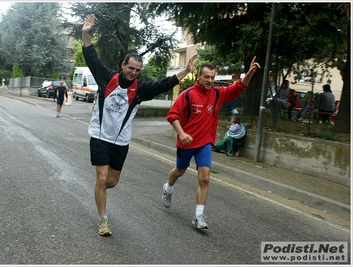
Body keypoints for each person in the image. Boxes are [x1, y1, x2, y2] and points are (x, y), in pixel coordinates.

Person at [81, 14, 198, 236]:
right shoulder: (106, 78)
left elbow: (165, 83)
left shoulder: (140, 89)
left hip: (122, 141)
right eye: (131, 68)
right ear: (123, 65)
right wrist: (86, 32)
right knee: (103, 178)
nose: (134, 73)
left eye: (137, 70)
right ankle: (103, 219)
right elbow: (91, 56)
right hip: (100, 135)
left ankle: (100, 190)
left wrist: (186, 71)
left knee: (112, 182)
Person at [162, 58, 260, 229]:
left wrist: (250, 73)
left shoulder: (217, 94)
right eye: (206, 77)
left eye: (212, 78)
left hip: (205, 143)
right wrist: (182, 133)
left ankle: (199, 215)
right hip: (186, 142)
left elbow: (238, 88)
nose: (209, 81)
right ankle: (168, 189)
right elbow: (172, 115)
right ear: (198, 77)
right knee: (179, 171)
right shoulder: (188, 94)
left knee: (205, 177)